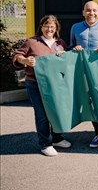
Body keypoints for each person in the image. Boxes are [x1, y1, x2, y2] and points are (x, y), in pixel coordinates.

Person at [13, 15, 71, 156]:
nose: (49, 29)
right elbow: (17, 56)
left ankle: (57, 138)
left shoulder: (60, 43)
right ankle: (45, 143)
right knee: (42, 114)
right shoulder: (32, 42)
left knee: (56, 111)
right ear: (41, 27)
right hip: (35, 84)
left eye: (52, 26)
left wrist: (64, 56)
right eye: (46, 26)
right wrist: (25, 60)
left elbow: (67, 62)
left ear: (56, 28)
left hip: (56, 84)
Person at [69, 1, 98, 155]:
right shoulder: (75, 28)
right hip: (83, 72)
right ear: (83, 12)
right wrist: (74, 48)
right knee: (91, 104)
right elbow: (70, 46)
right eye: (88, 10)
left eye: (94, 10)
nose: (91, 13)